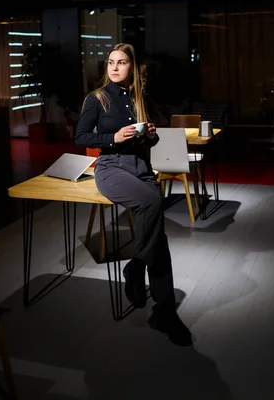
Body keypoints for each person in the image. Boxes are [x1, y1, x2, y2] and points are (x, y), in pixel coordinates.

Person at [74, 43, 192, 346]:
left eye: (121, 62)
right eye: (111, 62)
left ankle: (162, 305)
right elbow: (81, 136)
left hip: (140, 167)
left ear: (132, 68)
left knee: (158, 236)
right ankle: (139, 268)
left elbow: (147, 144)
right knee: (154, 202)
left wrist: (149, 136)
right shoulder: (97, 98)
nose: (114, 68)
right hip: (111, 168)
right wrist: (112, 137)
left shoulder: (141, 99)